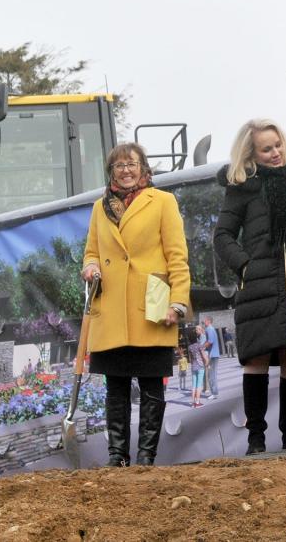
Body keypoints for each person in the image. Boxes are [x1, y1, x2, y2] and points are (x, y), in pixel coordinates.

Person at [214, 118, 286, 455]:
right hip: (259, 286)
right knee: (257, 360)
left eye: (278, 145)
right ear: (252, 154)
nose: (276, 152)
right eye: (267, 149)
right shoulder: (241, 188)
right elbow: (222, 236)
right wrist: (246, 266)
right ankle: (256, 440)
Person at [81, 142, 190, 467]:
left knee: (152, 385)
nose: (126, 171)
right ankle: (117, 458)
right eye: (119, 166)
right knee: (115, 387)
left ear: (144, 169)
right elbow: (91, 251)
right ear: (111, 172)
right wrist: (90, 266)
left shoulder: (163, 202)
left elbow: (177, 256)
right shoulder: (99, 208)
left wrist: (179, 302)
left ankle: (145, 458)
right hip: (111, 308)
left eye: (132, 164)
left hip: (152, 305)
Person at [186, 328, 207, 408]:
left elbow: (190, 359)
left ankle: (193, 402)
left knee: (194, 385)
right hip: (200, 366)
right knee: (199, 385)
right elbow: (203, 355)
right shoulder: (199, 345)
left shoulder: (189, 347)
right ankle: (197, 403)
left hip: (193, 367)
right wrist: (207, 362)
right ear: (196, 338)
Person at [202, 317, 221, 400]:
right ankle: (214, 392)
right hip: (214, 354)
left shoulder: (209, 329)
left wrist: (202, 347)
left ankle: (214, 393)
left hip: (213, 355)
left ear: (209, 321)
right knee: (212, 374)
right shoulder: (211, 329)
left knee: (211, 375)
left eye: (204, 321)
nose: (203, 322)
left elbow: (210, 341)